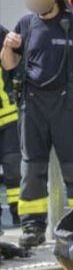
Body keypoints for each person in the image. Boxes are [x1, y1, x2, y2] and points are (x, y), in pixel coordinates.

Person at [0, 0, 73, 247]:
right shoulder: (26, 24)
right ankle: (32, 228)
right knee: (32, 170)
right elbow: (9, 64)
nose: (33, 0)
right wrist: (8, 47)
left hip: (65, 104)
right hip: (32, 105)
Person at [0, 25, 21, 226]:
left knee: (14, 168)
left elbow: (14, 61)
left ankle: (19, 214)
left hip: (7, 115)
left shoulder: (1, 33)